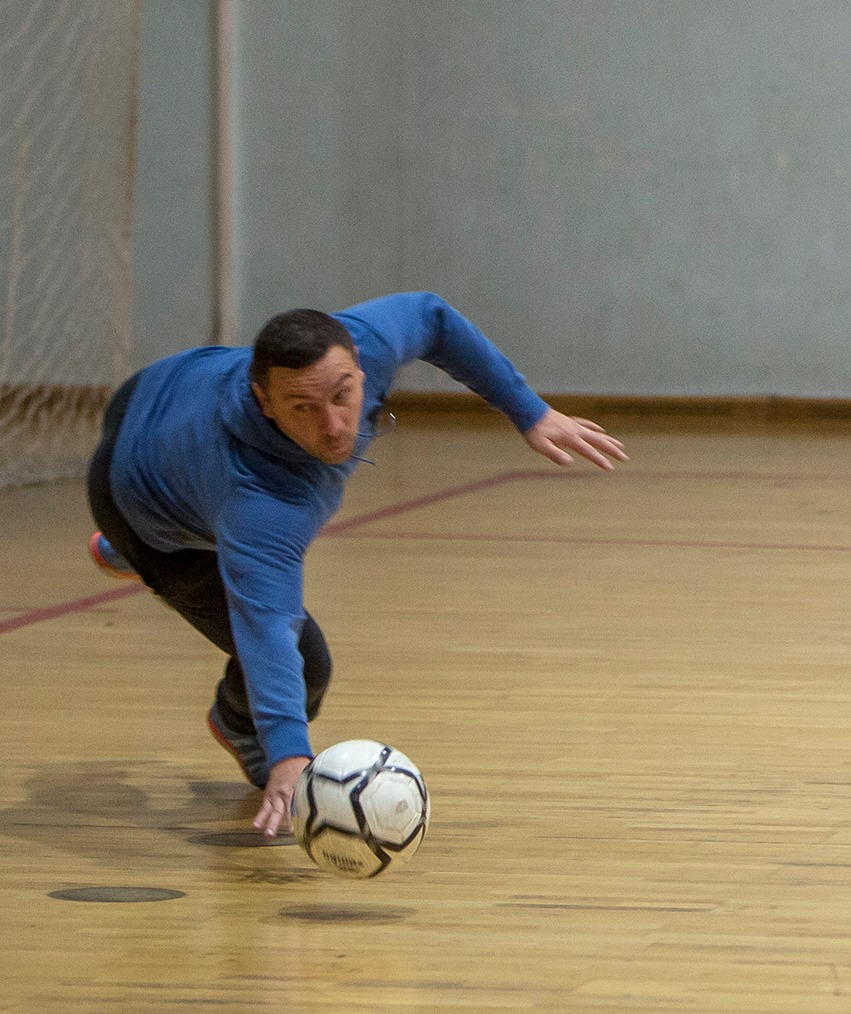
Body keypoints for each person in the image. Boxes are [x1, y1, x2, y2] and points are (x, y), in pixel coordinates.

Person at [85, 291, 627, 836]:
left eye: (343, 396)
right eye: (303, 408)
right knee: (308, 664)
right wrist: (287, 751)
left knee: (222, 533)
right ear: (263, 401)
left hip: (157, 390)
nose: (334, 425)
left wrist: (530, 410)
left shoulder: (362, 342)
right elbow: (267, 627)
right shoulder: (259, 504)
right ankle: (232, 717)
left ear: (360, 366)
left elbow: (431, 316)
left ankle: (139, 543)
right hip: (132, 498)